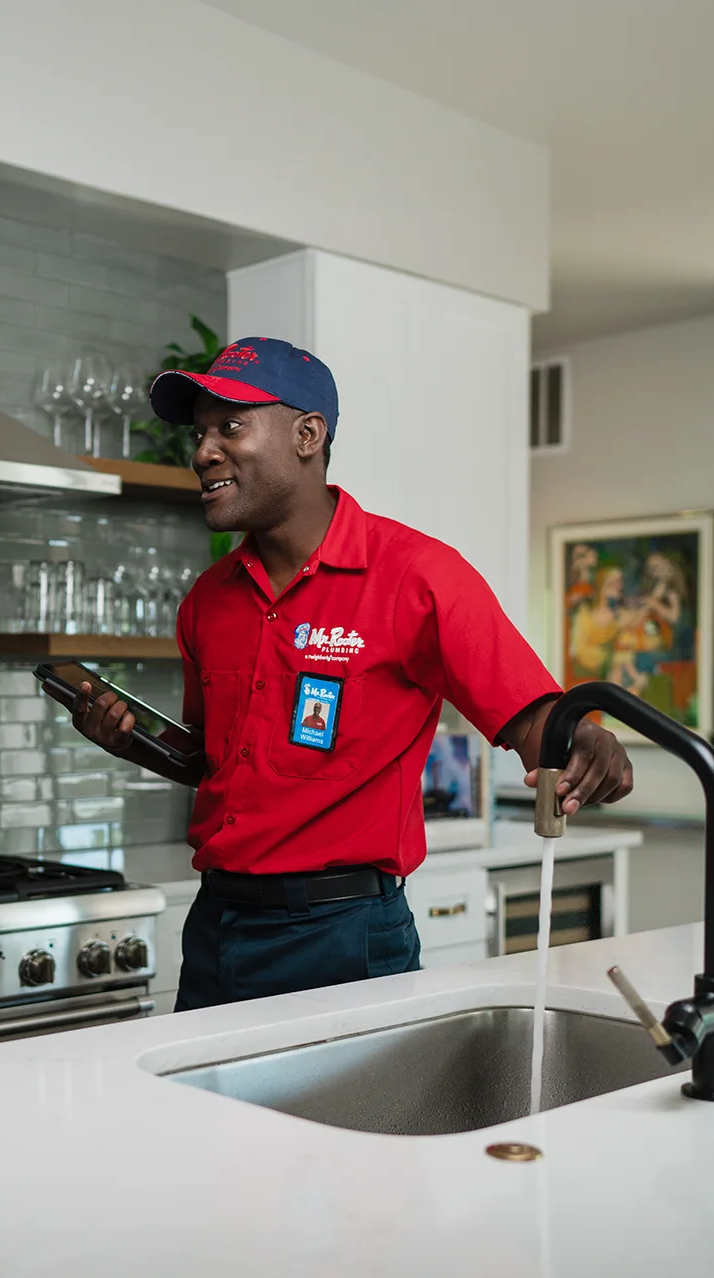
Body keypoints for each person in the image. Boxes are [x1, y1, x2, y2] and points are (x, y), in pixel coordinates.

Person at [70, 337, 633, 1011]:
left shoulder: (419, 576)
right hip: (217, 926)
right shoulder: (207, 599)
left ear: (308, 434)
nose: (203, 452)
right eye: (199, 433)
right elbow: (213, 760)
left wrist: (585, 743)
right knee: (204, 1120)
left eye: (230, 427)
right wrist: (130, 738)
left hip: (344, 937)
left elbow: (538, 723)